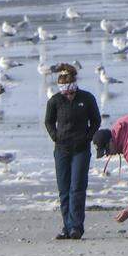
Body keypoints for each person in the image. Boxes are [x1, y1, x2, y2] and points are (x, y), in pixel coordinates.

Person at [43, 64, 101, 240]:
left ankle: (76, 226)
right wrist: (55, 137)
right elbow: (48, 122)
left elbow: (96, 120)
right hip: (62, 149)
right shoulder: (55, 101)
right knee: (64, 189)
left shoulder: (87, 98)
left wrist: (87, 137)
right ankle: (67, 227)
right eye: (65, 93)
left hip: (81, 150)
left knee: (77, 188)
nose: (69, 95)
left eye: (71, 92)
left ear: (75, 87)